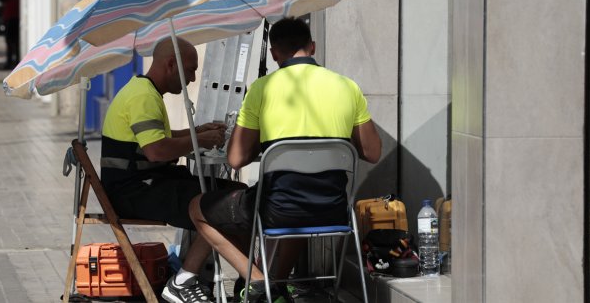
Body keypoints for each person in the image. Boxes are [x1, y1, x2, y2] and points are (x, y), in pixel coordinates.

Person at [189, 17, 382, 302]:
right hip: (332, 209)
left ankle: (258, 282)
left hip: (277, 210)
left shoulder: (262, 89)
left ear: (274, 54)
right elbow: (372, 152)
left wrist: (264, 148)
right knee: (301, 204)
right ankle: (274, 285)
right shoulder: (347, 87)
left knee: (198, 207)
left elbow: (236, 158)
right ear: (312, 46)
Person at [101, 37, 246, 303]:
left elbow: (158, 138)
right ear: (171, 64)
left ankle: (246, 281)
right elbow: (156, 150)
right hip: (134, 192)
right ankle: (184, 280)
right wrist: (199, 140)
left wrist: (196, 131)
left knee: (239, 194)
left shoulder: (143, 90)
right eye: (190, 69)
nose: (191, 78)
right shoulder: (143, 97)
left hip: (147, 183)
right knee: (219, 204)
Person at [1, 0, 20, 69]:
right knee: (12, 42)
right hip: (11, 17)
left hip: (11, 18)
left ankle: (12, 61)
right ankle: (12, 61)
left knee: (11, 42)